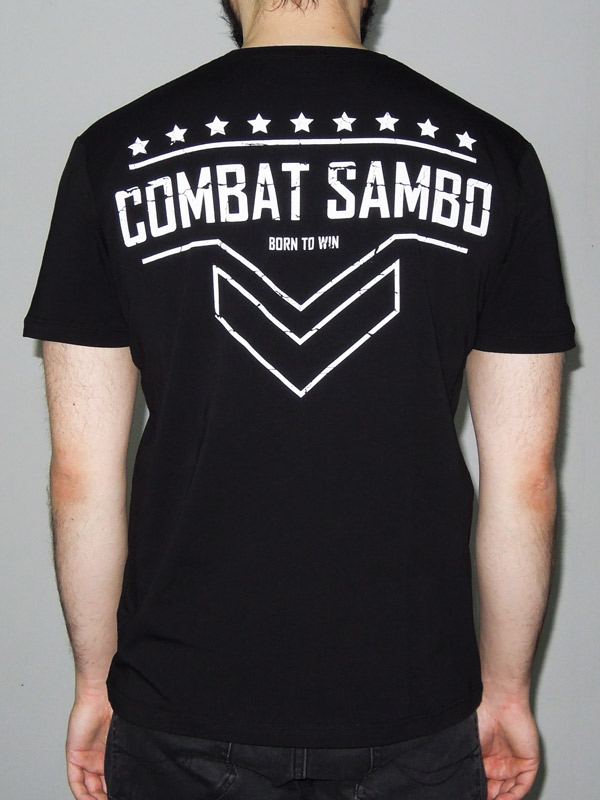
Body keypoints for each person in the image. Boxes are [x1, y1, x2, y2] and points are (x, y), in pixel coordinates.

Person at [23, 1, 576, 798]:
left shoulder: (113, 155)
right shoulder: (493, 158)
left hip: (180, 702)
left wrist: (94, 682)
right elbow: (525, 484)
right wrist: (509, 690)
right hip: (413, 705)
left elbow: (80, 476)